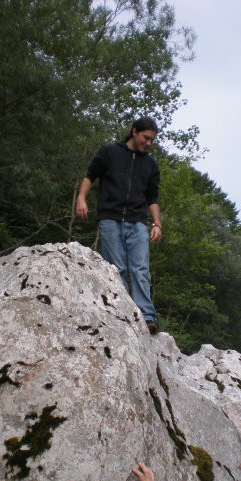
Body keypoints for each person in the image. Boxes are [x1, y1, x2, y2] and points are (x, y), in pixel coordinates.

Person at [76, 117, 162, 334]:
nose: (149, 143)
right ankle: (123, 313)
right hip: (110, 219)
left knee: (140, 269)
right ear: (134, 132)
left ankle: (146, 316)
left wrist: (157, 223)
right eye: (146, 138)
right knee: (117, 270)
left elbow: (152, 197)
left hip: (137, 222)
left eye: (152, 140)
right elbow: (90, 175)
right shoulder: (109, 152)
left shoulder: (151, 164)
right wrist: (81, 198)